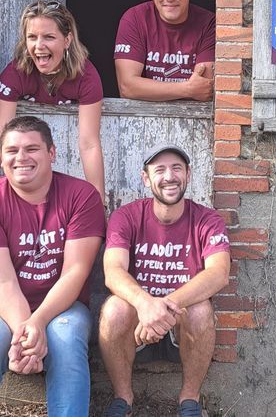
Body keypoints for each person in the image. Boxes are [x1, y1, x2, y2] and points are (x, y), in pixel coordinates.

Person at [0, 116, 105, 416]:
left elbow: (75, 272)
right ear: (2, 157)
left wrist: (38, 322)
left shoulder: (82, 197)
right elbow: (1, 281)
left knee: (66, 337)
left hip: (63, 305)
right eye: (11, 150)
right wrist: (26, 337)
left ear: (52, 153)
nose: (21, 158)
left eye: (32, 148)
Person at [98, 145, 231, 417]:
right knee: (113, 309)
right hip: (136, 332)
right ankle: (123, 399)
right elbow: (113, 271)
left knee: (200, 309)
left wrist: (163, 308)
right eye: (160, 170)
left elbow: (219, 273)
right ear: (146, 178)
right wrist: (144, 305)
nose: (169, 176)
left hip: (183, 329)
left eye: (177, 168)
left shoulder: (208, 220)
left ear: (188, 174)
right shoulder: (126, 217)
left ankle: (189, 400)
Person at [0, 0, 105, 203]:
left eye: (49, 37)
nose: (39, 46)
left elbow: (89, 144)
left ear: (67, 40)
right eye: (32, 37)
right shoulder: (16, 73)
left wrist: (98, 204)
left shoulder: (86, 76)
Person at [114, 0, 216, 101]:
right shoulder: (134, 18)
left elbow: (203, 87)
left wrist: (149, 89)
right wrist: (187, 89)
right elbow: (127, 87)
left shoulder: (209, 23)